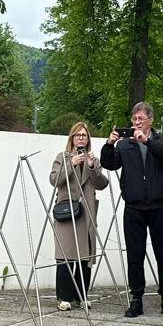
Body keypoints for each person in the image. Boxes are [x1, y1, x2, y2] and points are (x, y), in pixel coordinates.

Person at [101, 101, 163, 317]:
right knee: (135, 255)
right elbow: (109, 164)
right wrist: (109, 144)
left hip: (159, 206)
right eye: (134, 119)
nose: (137, 123)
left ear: (150, 120)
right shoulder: (125, 145)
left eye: (141, 119)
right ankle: (136, 298)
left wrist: (147, 142)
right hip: (134, 207)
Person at [48, 121, 109, 310]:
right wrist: (71, 164)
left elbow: (102, 184)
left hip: (86, 213)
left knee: (84, 256)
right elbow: (54, 180)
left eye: (84, 135)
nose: (81, 138)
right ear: (72, 138)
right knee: (66, 255)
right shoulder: (63, 157)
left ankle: (80, 296)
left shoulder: (93, 159)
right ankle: (63, 297)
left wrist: (91, 167)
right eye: (78, 135)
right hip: (67, 212)